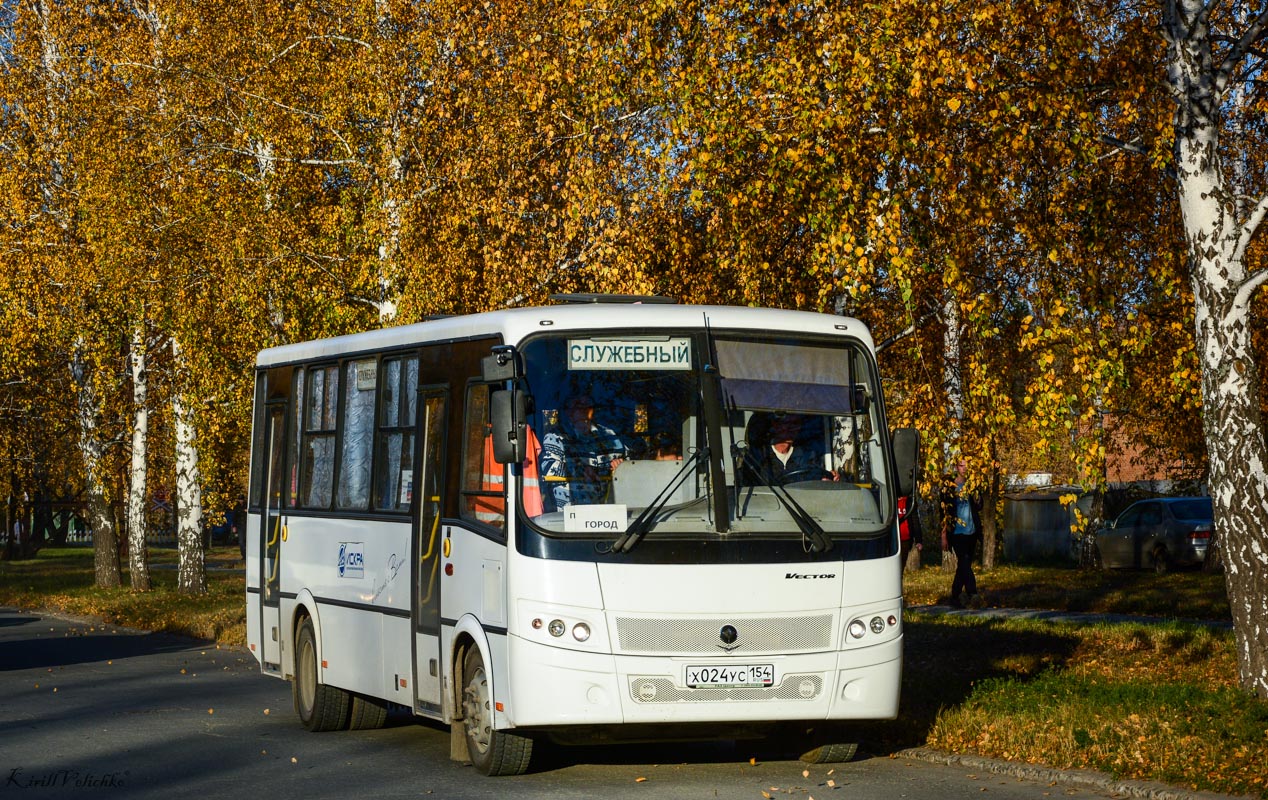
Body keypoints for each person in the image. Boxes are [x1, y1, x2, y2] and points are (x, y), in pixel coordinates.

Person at [540, 395, 626, 510]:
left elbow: (631, 465)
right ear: (568, 412)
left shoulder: (609, 435)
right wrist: (582, 470)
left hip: (609, 513)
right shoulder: (556, 436)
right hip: (569, 516)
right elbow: (549, 470)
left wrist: (621, 466)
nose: (583, 409)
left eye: (587, 405)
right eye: (578, 405)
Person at [743, 412, 830, 484]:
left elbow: (816, 479)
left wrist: (827, 478)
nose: (791, 429)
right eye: (787, 424)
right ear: (776, 426)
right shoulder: (757, 456)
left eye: (795, 424)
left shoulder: (808, 455)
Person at [940, 469, 982, 608]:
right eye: (961, 465)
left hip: (972, 530)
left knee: (964, 565)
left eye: (966, 465)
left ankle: (955, 596)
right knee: (964, 561)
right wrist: (944, 534)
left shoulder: (972, 483)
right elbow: (943, 512)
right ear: (956, 466)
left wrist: (978, 496)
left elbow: (979, 506)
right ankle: (972, 593)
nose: (963, 468)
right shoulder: (948, 485)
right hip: (956, 531)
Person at [898, 494, 922, 574]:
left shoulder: (909, 502)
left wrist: (918, 540)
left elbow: (915, 521)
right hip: (893, 540)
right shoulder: (889, 499)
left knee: (900, 567)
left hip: (905, 539)